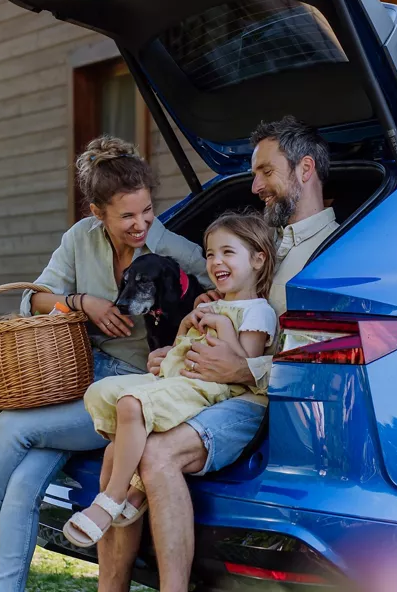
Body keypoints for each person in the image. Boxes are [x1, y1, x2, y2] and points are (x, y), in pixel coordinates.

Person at [0, 136, 209, 592]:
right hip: (75, 378)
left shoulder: (173, 250)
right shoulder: (80, 238)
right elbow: (34, 301)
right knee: (22, 485)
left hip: (128, 392)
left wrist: (191, 330)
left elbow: (226, 290)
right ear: (98, 213)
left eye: (147, 210)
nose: (141, 224)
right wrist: (82, 301)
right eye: (127, 216)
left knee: (13, 426)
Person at [97, 116, 340, 592]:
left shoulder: (334, 251)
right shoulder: (262, 242)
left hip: (271, 405)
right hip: (208, 390)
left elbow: (317, 351)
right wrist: (176, 355)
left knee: (157, 454)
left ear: (305, 169)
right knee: (117, 449)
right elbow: (230, 313)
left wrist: (246, 368)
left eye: (266, 172)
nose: (255, 186)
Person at [62, 212, 279, 547]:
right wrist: (186, 325)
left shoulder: (258, 312)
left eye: (227, 252)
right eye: (210, 254)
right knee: (101, 392)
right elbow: (180, 347)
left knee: (132, 403)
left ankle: (111, 499)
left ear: (258, 260)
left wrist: (221, 325)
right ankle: (135, 487)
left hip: (210, 388)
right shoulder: (210, 304)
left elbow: (241, 368)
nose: (215, 261)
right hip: (178, 377)